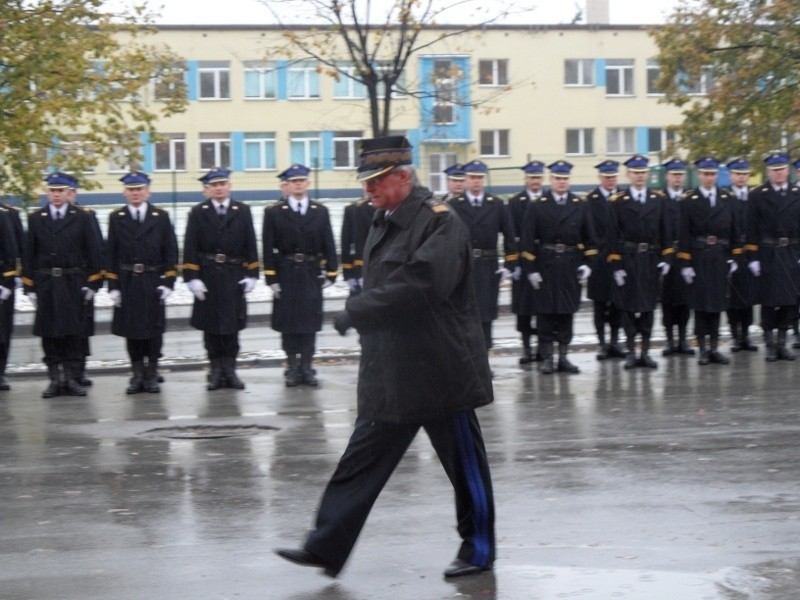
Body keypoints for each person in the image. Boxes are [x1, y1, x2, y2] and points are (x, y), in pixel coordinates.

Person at [274, 135, 495, 579]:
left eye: (377, 180)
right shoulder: (383, 219)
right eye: (365, 181)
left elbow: (423, 284)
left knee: (465, 465)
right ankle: (326, 546)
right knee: (359, 462)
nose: (368, 189)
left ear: (403, 177)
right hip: (391, 369)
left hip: (438, 369)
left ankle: (478, 548)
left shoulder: (440, 222)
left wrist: (359, 310)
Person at [22, 172, 103, 398]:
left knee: (73, 334)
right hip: (47, 283)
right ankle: (54, 380)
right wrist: (29, 287)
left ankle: (71, 378)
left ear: (68, 193)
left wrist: (93, 283)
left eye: (60, 191)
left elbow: (94, 251)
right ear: (47, 193)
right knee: (50, 335)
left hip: (73, 282)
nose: (56, 195)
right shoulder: (37, 218)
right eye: (52, 191)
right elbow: (29, 254)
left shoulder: (82, 217)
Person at [182, 167, 259, 389]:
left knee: (232, 328)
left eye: (222, 184)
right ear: (208, 188)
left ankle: (231, 370)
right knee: (211, 328)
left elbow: (250, 243)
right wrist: (192, 277)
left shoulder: (242, 210)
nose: (219, 188)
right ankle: (216, 370)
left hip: (234, 276)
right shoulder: (198, 212)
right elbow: (190, 246)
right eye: (214, 185)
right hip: (209, 276)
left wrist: (252, 274)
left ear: (229, 186)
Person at [263, 164, 338, 387]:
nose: (298, 184)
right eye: (294, 181)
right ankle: (292, 367)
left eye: (301, 180)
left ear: (308, 184)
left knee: (309, 322)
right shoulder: (274, 212)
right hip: (286, 272)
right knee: (288, 324)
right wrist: (271, 278)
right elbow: (268, 247)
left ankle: (307, 366)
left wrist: (331, 272)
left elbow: (329, 243)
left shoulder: (320, 211)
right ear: (288, 184)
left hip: (311, 272)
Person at [521, 160, 597, 374]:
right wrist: (531, 269)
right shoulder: (538, 205)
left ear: (569, 180)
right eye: (557, 178)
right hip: (546, 262)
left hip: (570, 264)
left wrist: (588, 264)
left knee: (566, 311)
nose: (561, 182)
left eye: (565, 179)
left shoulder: (580, 204)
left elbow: (590, 239)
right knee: (545, 313)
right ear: (551, 180)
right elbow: (527, 240)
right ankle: (547, 357)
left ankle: (563, 356)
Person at [106, 171, 179, 394]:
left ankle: (152, 373)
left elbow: (171, 250)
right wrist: (113, 286)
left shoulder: (160, 216)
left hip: (152, 279)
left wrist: (169, 281)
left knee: (153, 332)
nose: (135, 193)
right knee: (132, 332)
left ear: (148, 191)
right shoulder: (116, 218)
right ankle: (137, 374)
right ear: (124, 193)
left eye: (139, 189)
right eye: (131, 190)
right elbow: (111, 253)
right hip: (128, 281)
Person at [608, 155, 673, 370]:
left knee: (648, 308)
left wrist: (666, 257)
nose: (639, 176)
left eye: (642, 172)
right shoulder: (618, 202)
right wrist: (616, 264)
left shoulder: (658, 200)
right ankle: (631, 351)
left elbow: (666, 231)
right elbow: (612, 235)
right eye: (635, 172)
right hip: (628, 258)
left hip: (650, 259)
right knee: (627, 309)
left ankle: (645, 351)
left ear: (647, 174)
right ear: (628, 174)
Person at [447, 159, 516, 353]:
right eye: (472, 178)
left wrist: (509, 265)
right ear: (466, 179)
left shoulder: (496, 204)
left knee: (486, 314)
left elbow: (510, 236)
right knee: (465, 313)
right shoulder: (453, 205)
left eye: (479, 178)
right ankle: (468, 359)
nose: (476, 182)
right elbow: (446, 239)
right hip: (464, 266)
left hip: (488, 266)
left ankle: (484, 357)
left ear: (484, 180)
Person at [677, 157, 739, 365]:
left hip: (720, 255)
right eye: (705, 174)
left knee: (717, 304)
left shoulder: (727, 198)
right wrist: (685, 262)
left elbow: (734, 230)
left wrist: (733, 256)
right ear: (699, 175)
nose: (709, 178)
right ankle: (702, 348)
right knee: (701, 305)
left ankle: (714, 348)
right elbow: (683, 232)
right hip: (699, 255)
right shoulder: (689, 200)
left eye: (712, 174)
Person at [745, 152, 800, 362]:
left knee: (788, 300)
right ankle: (769, 343)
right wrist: (753, 257)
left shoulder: (796, 193)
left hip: (790, 252)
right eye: (775, 170)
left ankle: (782, 343)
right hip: (767, 253)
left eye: (782, 169)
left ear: (788, 170)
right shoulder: (758, 194)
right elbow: (750, 228)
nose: (779, 173)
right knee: (768, 301)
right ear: (768, 171)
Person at [65, 177, 105, 387]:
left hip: (81, 280)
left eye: (70, 192)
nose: (67, 195)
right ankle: (65, 371)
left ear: (75, 193)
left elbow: (97, 249)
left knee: (81, 328)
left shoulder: (87, 216)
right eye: (64, 191)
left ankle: (80, 369)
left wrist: (94, 281)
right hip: (61, 282)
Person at [585, 160, 626, 360]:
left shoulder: (624, 197)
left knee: (618, 303)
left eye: (613, 177)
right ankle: (602, 343)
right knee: (600, 304)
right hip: (599, 259)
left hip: (619, 257)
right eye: (607, 177)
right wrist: (595, 255)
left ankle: (615, 341)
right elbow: (589, 229)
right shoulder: (591, 200)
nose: (610, 181)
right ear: (600, 177)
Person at [508, 160, 545, 364]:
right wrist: (513, 263)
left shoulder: (547, 200)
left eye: (538, 177)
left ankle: (542, 347)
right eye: (532, 177)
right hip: (523, 262)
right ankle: (526, 347)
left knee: (542, 307)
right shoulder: (516, 202)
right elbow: (511, 234)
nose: (535, 181)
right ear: (525, 179)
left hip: (543, 261)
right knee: (523, 308)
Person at [660, 157, 695, 356]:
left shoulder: (690, 199)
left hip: (686, 256)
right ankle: (670, 340)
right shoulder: (660, 199)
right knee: (667, 301)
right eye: (674, 175)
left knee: (685, 300)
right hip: (666, 256)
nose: (677, 178)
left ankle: (683, 339)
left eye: (680, 175)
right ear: (667, 176)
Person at [725, 157, 759, 352]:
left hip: (750, 253)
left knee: (748, 297)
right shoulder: (725, 197)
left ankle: (746, 336)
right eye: (738, 174)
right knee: (733, 299)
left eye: (744, 174)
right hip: (732, 254)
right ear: (731, 176)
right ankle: (735, 335)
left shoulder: (754, 197)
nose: (741, 177)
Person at [0, 193, 24, 390]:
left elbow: (15, 249)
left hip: (2, 282)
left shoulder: (6, 214)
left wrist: (9, 281)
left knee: (2, 329)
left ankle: (0, 371)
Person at [340, 194, 374, 297]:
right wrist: (348, 273)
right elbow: (346, 243)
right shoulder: (353, 209)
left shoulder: (392, 208)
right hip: (360, 271)